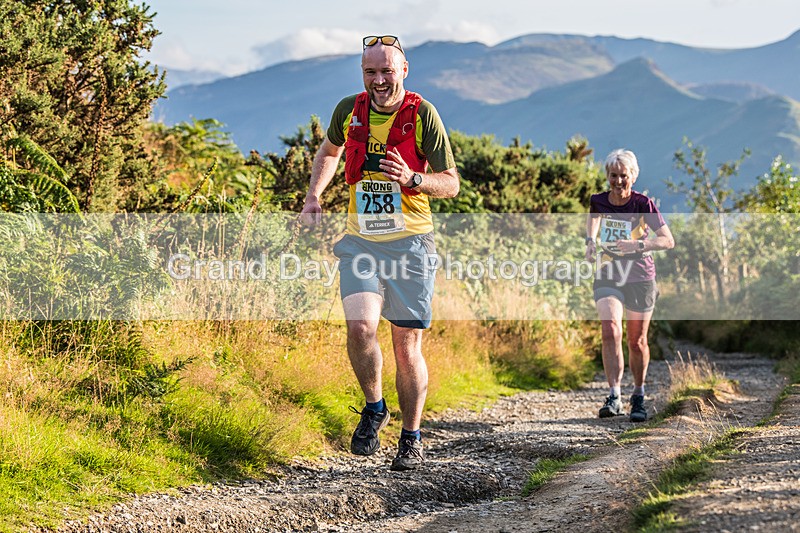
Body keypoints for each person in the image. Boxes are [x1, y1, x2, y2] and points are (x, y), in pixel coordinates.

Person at [300, 35, 459, 470]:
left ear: (403, 71)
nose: (378, 79)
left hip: (411, 243)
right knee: (360, 329)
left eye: (386, 70)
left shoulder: (423, 115)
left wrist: (414, 179)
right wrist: (314, 195)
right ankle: (374, 407)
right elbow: (330, 151)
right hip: (362, 242)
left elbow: (451, 181)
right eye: (370, 72)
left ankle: (411, 437)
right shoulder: (349, 110)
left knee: (407, 348)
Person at [585, 149, 675, 422]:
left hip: (640, 276)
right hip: (609, 272)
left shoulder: (643, 204)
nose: (618, 181)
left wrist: (638, 244)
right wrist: (590, 242)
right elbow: (593, 225)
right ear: (608, 176)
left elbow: (667, 240)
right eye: (614, 176)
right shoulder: (598, 201)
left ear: (633, 177)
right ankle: (614, 396)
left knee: (636, 341)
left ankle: (638, 394)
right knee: (610, 328)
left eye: (624, 176)